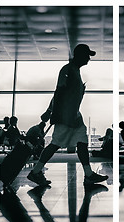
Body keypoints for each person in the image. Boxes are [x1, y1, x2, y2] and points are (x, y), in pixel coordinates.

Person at [27, 44, 108, 186]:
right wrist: (49, 111)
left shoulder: (75, 71)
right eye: (87, 55)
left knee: (82, 141)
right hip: (65, 117)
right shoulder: (68, 70)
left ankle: (88, 174)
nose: (89, 58)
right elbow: (58, 92)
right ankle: (35, 172)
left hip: (74, 116)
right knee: (55, 144)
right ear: (80, 55)